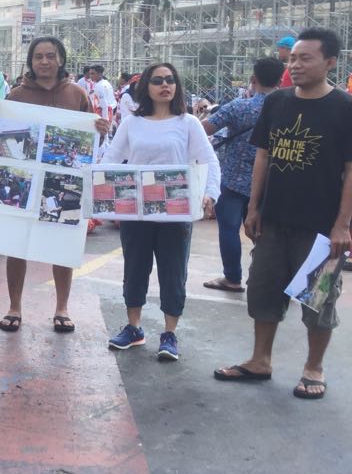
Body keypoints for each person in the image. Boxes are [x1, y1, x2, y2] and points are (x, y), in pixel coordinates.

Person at [215, 28, 352, 399]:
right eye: (293, 58)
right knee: (262, 289)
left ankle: (313, 367)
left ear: (330, 62)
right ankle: (260, 360)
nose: (296, 65)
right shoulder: (276, 102)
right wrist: (254, 207)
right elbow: (263, 155)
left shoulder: (344, 107)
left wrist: (342, 224)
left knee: (318, 299)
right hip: (274, 219)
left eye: (305, 58)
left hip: (321, 227)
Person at [0, 37, 110, 333]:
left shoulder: (77, 94)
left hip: (63, 182)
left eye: (50, 56)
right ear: (31, 61)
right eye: (38, 56)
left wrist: (100, 132)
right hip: (24, 181)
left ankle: (62, 308)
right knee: (17, 245)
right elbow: (0, 136)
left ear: (61, 59)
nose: (44, 62)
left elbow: (90, 143)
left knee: (61, 245)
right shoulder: (15, 95)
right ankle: (14, 306)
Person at [102, 62, 220, 360]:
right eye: (158, 80)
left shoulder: (188, 123)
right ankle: (134, 328)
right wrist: (101, 198)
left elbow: (210, 161)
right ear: (147, 87)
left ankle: (169, 333)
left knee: (173, 272)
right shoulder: (131, 123)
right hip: (136, 214)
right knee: (135, 269)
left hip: (176, 214)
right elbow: (112, 160)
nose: (165, 85)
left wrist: (210, 193)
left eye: (170, 80)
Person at [201, 57, 285, 293]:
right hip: (272, 182)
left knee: (229, 229)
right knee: (268, 233)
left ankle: (233, 278)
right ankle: (268, 281)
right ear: (281, 79)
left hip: (232, 179)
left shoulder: (239, 107)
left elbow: (203, 130)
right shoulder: (287, 108)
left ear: (253, 79)